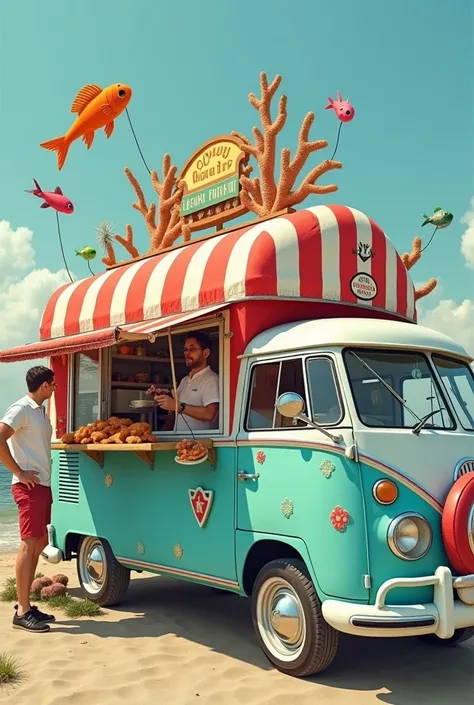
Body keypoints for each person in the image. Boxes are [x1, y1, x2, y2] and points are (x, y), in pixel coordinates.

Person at [0, 366, 57, 633]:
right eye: (53, 384)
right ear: (44, 386)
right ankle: (22, 611)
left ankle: (27, 604)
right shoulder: (21, 408)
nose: (56, 388)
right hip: (29, 487)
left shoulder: (38, 411)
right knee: (29, 544)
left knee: (39, 542)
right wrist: (19, 472)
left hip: (42, 485)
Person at [156, 331, 219, 432]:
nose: (187, 353)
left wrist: (178, 406)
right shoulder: (184, 380)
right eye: (185, 349)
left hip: (200, 444)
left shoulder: (212, 380)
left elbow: (209, 414)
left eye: (192, 349)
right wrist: (165, 400)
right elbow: (176, 410)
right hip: (181, 442)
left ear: (205, 353)